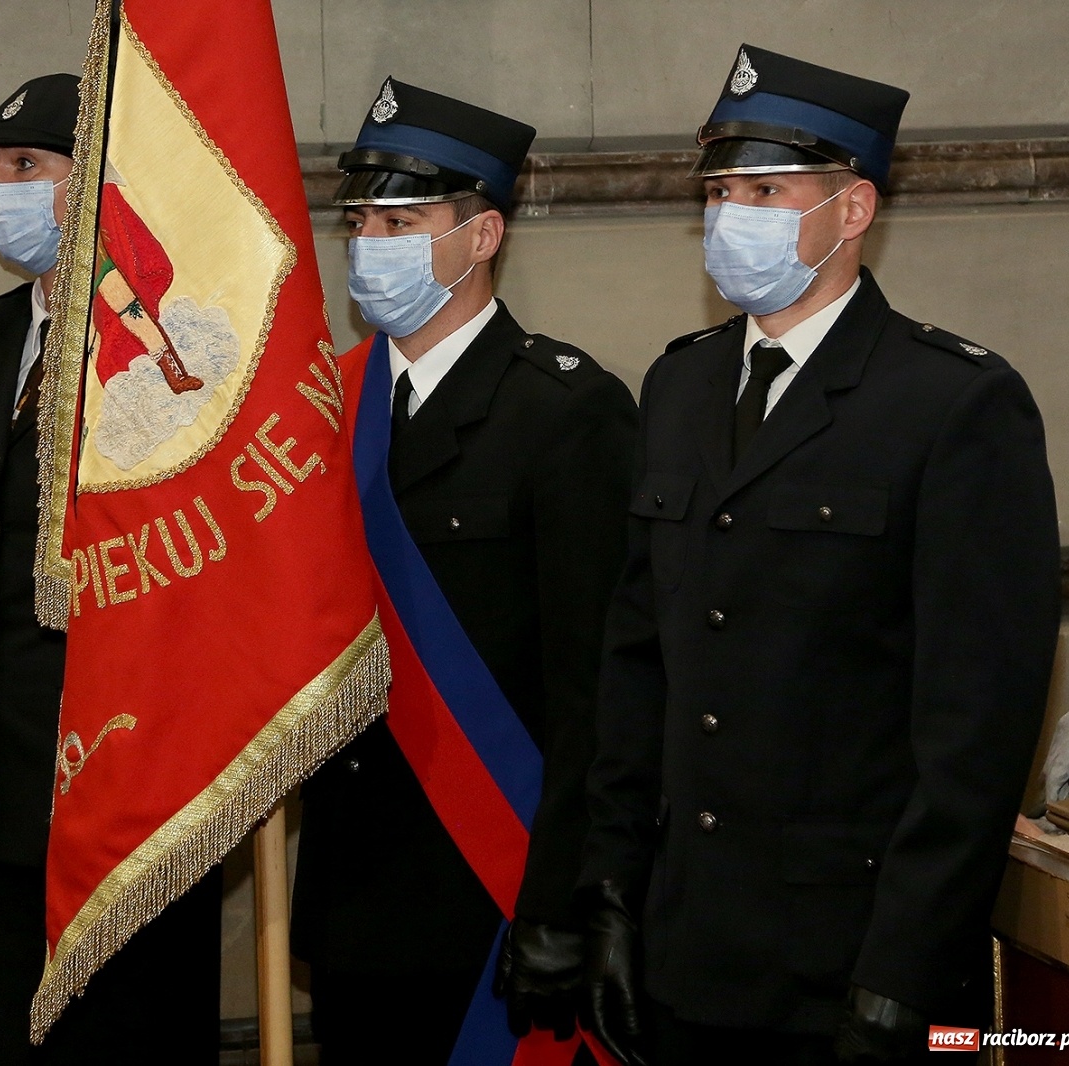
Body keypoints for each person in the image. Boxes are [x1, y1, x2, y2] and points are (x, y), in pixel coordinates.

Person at [505, 45, 1062, 1065]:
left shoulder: (950, 403)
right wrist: (613, 899)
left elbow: (972, 735)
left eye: (765, 189)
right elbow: (636, 674)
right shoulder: (681, 387)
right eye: (718, 190)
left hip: (853, 954)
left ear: (850, 211)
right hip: (688, 946)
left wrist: (903, 976)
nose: (729, 216)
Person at [290, 77, 637, 1065]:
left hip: (492, 886)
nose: (370, 241)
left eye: (401, 218)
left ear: (481, 235)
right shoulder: (329, 406)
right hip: (353, 896)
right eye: (359, 218)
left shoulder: (566, 413)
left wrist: (566, 898)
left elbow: (596, 691)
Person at [0, 74, 221, 1065]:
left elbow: (189, 594)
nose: (2, 189)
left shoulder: (166, 349)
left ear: (102, 184)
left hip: (111, 806)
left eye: (27, 165)